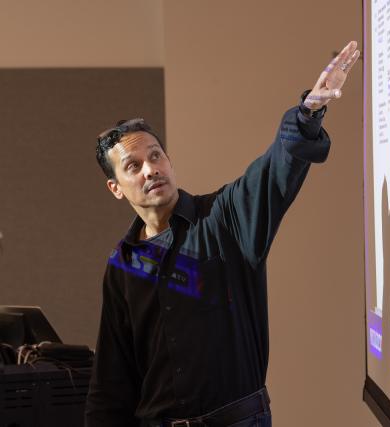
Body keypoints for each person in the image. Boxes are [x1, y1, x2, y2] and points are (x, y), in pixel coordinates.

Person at [84, 41, 359, 427]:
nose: (150, 169)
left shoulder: (223, 218)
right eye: (133, 165)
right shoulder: (124, 265)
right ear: (116, 187)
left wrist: (307, 114)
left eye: (156, 155)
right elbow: (112, 382)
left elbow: (273, 170)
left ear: (169, 160)